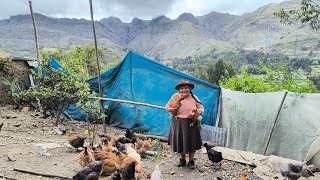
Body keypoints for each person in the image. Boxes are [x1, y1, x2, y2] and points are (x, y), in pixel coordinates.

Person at [165, 79, 204, 169]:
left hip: (191, 123)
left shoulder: (194, 98)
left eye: (186, 88)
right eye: (181, 88)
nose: (183, 90)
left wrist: (199, 111)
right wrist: (170, 109)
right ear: (179, 90)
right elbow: (166, 106)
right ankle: (182, 160)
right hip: (178, 123)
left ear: (189, 89)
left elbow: (201, 107)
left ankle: (191, 161)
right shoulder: (175, 97)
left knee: (191, 142)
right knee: (180, 142)